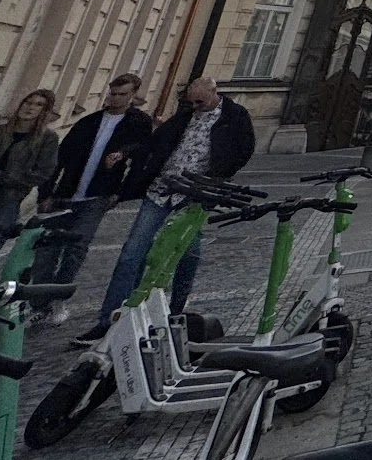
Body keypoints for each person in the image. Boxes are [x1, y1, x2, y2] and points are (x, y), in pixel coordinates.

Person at [82, 78, 254, 340]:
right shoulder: (184, 116)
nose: (195, 106)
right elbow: (155, 144)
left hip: (195, 195)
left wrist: (219, 174)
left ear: (213, 92)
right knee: (132, 253)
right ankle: (109, 318)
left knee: (186, 254)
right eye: (191, 101)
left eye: (200, 101)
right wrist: (127, 155)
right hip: (160, 191)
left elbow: (244, 150)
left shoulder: (235, 116)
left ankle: (175, 309)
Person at [34, 75, 154, 315]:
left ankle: (58, 297)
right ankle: (38, 301)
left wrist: (119, 192)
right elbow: (59, 159)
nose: (115, 98)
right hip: (66, 193)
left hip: (98, 195)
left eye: (122, 94)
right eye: (113, 93)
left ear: (133, 96)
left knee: (76, 247)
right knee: (48, 247)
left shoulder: (138, 123)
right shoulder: (88, 122)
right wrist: (46, 193)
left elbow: (141, 158)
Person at [0, 88, 62, 265]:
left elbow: (42, 174)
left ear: (44, 111)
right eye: (28, 102)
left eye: (38, 105)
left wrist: (0, 175)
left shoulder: (47, 139)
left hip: (7, 199)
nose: (30, 107)